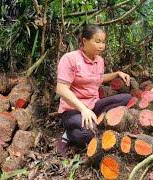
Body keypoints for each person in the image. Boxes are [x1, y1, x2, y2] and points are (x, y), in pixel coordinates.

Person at [56, 24, 132, 155]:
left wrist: (117, 73)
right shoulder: (70, 59)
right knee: (89, 135)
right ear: (84, 41)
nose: (102, 46)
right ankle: (68, 135)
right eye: (97, 41)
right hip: (73, 110)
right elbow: (61, 89)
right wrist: (83, 109)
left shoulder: (100, 60)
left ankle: (94, 122)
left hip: (93, 106)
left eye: (103, 42)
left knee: (127, 98)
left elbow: (98, 78)